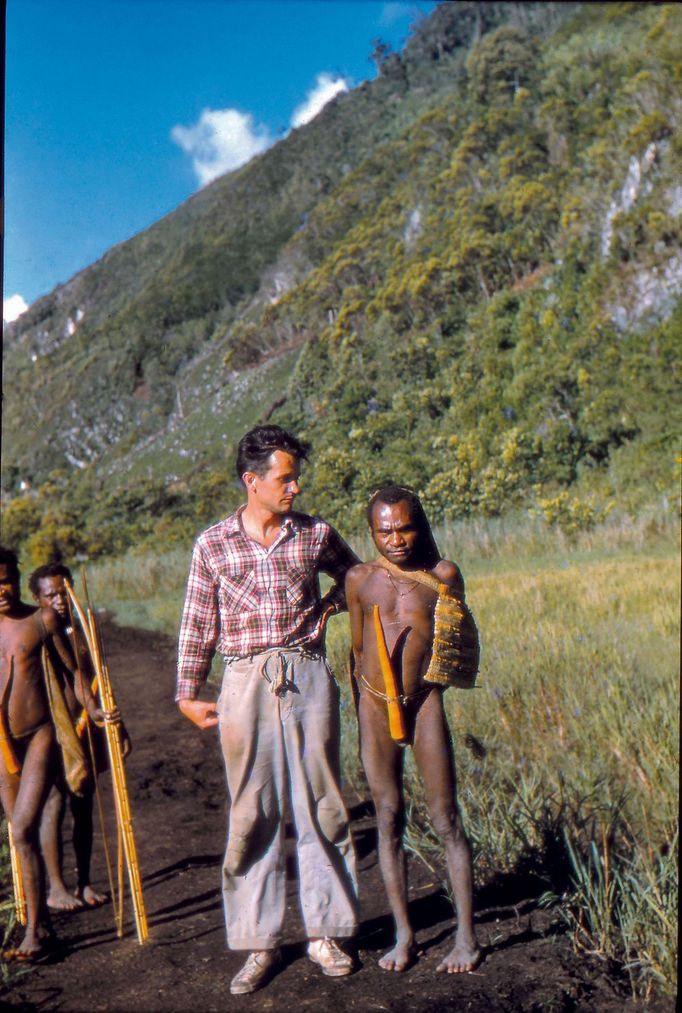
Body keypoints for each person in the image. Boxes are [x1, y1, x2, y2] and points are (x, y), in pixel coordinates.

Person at [176, 425, 360, 995]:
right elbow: (197, 622)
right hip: (245, 681)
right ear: (251, 481)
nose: (296, 488)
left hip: (306, 674)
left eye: (296, 476)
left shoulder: (316, 535)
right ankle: (259, 942)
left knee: (321, 803)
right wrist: (186, 692)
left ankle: (326, 932)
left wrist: (331, 607)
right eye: (285, 478)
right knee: (252, 809)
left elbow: (356, 579)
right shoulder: (213, 544)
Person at [345, 486, 481, 974]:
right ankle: (405, 935)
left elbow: (457, 644)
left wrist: (429, 688)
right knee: (387, 816)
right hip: (374, 708)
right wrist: (368, 709)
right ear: (372, 532)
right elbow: (358, 651)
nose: (396, 539)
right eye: (384, 531)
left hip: (425, 705)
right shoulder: (359, 579)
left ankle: (466, 939)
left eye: (404, 528)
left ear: (419, 526)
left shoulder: (443, 575)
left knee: (446, 818)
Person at [0, 548, 104, 961]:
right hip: (3, 742)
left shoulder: (39, 621)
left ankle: (34, 934)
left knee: (24, 827)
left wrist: (93, 708)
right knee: (19, 834)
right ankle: (40, 926)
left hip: (40, 734)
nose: (2, 589)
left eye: (7, 579)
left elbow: (72, 674)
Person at [29, 562, 115, 911]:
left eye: (65, 593)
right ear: (37, 598)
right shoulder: (35, 632)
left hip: (84, 725)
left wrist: (101, 713)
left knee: (82, 804)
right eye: (51, 596)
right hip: (50, 730)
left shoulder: (82, 629)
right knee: (53, 803)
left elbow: (91, 677)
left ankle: (83, 883)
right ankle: (56, 887)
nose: (60, 601)